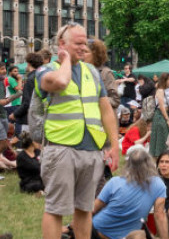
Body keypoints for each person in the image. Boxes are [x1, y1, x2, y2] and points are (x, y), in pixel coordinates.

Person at [38, 24, 121, 239]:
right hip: (60, 148)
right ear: (62, 45)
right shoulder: (46, 71)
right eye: (78, 43)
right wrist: (66, 60)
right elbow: (60, 81)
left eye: (85, 43)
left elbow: (106, 110)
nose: (84, 47)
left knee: (85, 208)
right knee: (56, 208)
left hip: (91, 150)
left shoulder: (92, 72)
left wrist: (114, 145)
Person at [91, 145, 168, 239]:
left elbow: (93, 209)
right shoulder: (158, 184)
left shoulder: (115, 182)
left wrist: (72, 227)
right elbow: (160, 215)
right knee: (141, 235)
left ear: (128, 165)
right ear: (150, 164)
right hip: (127, 236)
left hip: (96, 231)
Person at [10, 51, 46, 130]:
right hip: (41, 116)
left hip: (30, 119)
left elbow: (27, 102)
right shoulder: (42, 76)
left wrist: (15, 114)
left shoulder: (30, 79)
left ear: (29, 63)